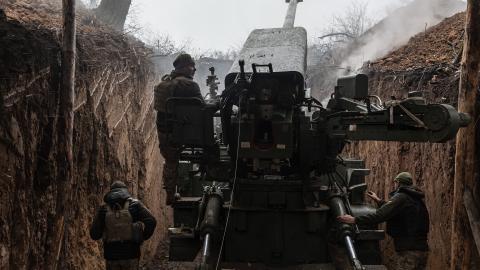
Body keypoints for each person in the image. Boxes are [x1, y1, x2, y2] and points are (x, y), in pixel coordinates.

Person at [337, 172, 430, 270]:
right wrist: (379, 200)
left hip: (408, 251)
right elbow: (397, 210)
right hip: (422, 249)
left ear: (398, 182)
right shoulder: (416, 198)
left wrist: (354, 219)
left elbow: (380, 215)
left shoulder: (401, 197)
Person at [153, 53, 203, 205]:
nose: (194, 70)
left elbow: (159, 111)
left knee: (170, 160)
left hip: (167, 134)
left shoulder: (163, 85)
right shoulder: (190, 85)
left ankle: (170, 193)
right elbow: (202, 107)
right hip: (190, 134)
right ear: (186, 67)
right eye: (192, 66)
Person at [90, 181, 157, 270]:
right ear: (125, 191)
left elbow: (94, 234)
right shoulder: (135, 205)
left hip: (111, 256)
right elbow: (151, 221)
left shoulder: (103, 209)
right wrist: (143, 237)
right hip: (132, 254)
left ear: (111, 192)